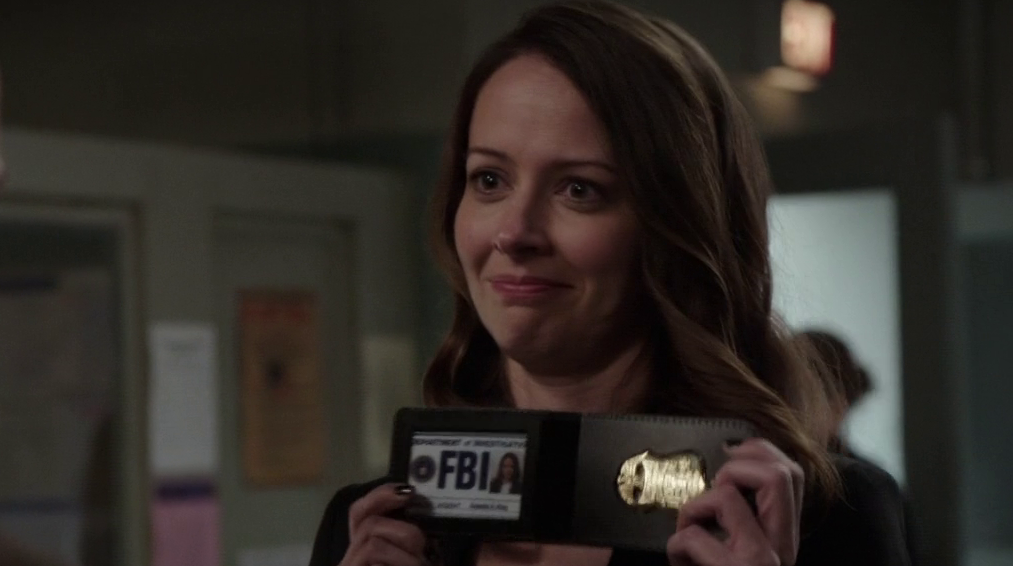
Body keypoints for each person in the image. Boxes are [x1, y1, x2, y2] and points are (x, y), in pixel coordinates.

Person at [310, 2, 911, 565]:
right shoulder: (368, 529)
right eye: (489, 180)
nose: (514, 233)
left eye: (579, 189)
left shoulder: (823, 520)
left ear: (679, 225)